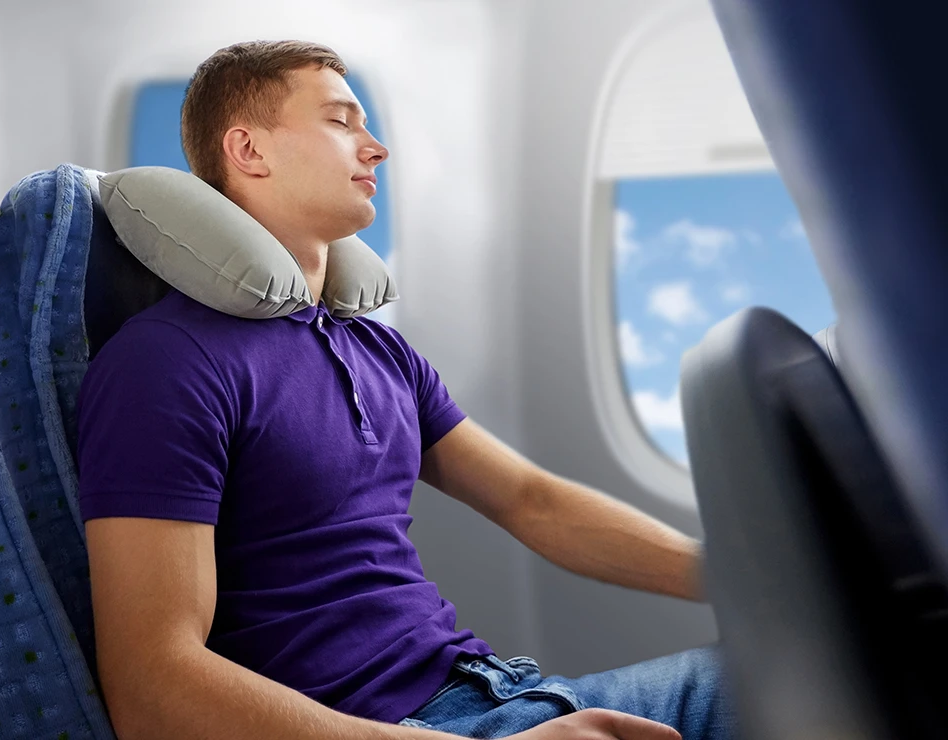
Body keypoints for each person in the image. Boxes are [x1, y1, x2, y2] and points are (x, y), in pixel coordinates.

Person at [75, 40, 733, 740]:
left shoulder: (377, 348)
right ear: (248, 150)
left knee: (822, 652)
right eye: (340, 121)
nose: (376, 147)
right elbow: (152, 686)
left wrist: (738, 579)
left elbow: (531, 501)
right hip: (400, 727)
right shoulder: (167, 362)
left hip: (498, 693)